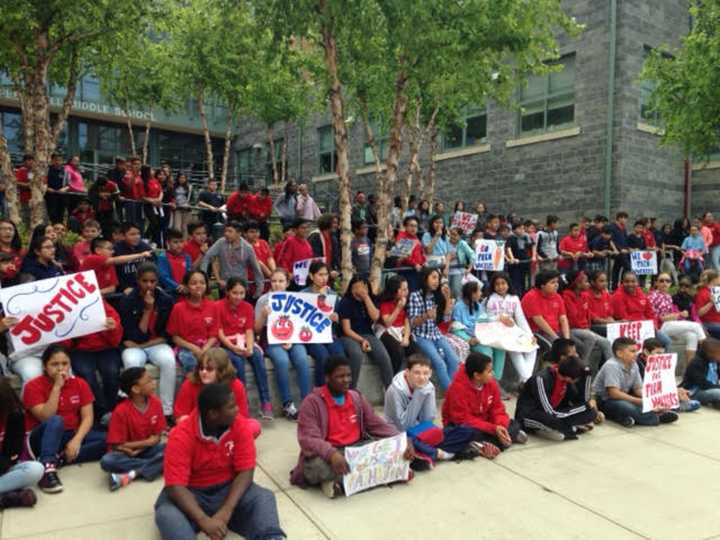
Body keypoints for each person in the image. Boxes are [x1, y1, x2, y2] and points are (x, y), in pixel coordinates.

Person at [154, 384, 285, 540]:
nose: (237, 410)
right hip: (191, 493)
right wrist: (203, 520)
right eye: (231, 407)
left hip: (228, 488)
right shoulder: (181, 435)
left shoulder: (240, 424)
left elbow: (246, 471)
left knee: (263, 498)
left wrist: (226, 511)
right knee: (167, 515)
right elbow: (175, 487)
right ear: (213, 414)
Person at [289, 356, 413, 498]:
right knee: (316, 466)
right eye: (340, 376)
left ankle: (341, 482)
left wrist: (401, 439)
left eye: (348, 375)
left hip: (356, 449)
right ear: (327, 378)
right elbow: (308, 439)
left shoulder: (356, 397)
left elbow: (376, 424)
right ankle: (377, 476)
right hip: (329, 453)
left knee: (389, 447)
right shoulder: (312, 402)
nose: (346, 380)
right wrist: (332, 454)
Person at [24, 345, 107, 493]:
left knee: (111, 440)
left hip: (71, 434)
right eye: (54, 364)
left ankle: (60, 459)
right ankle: (47, 469)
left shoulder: (80, 383)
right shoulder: (33, 386)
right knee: (57, 420)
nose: (60, 368)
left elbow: (88, 417)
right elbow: (46, 417)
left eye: (65, 363)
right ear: (44, 366)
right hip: (43, 437)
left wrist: (77, 440)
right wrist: (57, 387)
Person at [442, 353, 528, 460]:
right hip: (462, 425)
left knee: (513, 423)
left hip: (486, 423)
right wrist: (493, 429)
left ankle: (485, 443)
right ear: (477, 375)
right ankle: (496, 441)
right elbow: (462, 420)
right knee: (465, 433)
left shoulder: (491, 383)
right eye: (489, 371)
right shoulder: (457, 388)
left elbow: (498, 409)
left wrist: (500, 426)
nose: (493, 373)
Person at [118, 263, 177, 420]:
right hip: (134, 345)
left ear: (157, 281)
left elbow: (167, 334)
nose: (149, 285)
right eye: (145, 281)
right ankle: (134, 411)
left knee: (169, 361)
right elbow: (135, 336)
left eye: (153, 281)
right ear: (138, 281)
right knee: (132, 363)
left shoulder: (165, 300)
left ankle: (166, 411)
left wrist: (143, 345)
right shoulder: (127, 300)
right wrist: (147, 310)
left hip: (156, 343)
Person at [254, 270, 309, 420]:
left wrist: (291, 340)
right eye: (274, 281)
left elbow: (300, 323)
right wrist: (263, 315)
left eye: (281, 281)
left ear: (287, 283)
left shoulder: (294, 299)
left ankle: (307, 402)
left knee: (302, 358)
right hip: (271, 338)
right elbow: (256, 329)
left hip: (292, 337)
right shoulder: (263, 300)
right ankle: (287, 404)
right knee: (282, 360)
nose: (277, 284)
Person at [384, 354, 456, 468]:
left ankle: (425, 454)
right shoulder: (395, 390)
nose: (422, 377)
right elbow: (403, 426)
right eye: (417, 373)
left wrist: (424, 393)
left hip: (418, 430)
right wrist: (418, 394)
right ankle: (434, 453)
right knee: (407, 441)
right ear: (407, 372)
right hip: (398, 431)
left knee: (452, 432)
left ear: (431, 373)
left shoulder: (428, 386)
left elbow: (428, 421)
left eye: (426, 373)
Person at [100, 367, 166, 491]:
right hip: (127, 454)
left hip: (148, 451)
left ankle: (132, 474)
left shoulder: (156, 403)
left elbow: (156, 437)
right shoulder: (121, 411)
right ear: (135, 389)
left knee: (172, 448)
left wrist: (148, 444)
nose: (153, 383)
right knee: (107, 461)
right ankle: (156, 466)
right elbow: (115, 445)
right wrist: (145, 443)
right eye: (148, 381)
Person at [215, 277, 272, 419]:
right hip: (227, 344)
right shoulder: (218, 306)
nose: (238, 296)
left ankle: (266, 402)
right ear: (227, 292)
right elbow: (219, 332)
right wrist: (233, 348)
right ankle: (242, 403)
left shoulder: (247, 307)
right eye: (235, 293)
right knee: (237, 361)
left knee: (258, 357)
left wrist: (251, 347)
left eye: (241, 293)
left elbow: (249, 331)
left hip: (244, 341)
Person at [592, 337, 679, 427]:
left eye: (636, 351)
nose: (636, 354)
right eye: (632, 351)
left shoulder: (633, 364)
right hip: (604, 400)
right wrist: (640, 401)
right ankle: (656, 418)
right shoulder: (611, 365)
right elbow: (614, 393)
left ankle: (625, 419)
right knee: (626, 406)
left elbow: (637, 388)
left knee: (640, 404)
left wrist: (651, 400)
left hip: (621, 396)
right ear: (619, 353)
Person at [515, 355, 598, 441]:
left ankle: (567, 428)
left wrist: (587, 376)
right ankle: (568, 429)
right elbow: (550, 412)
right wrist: (585, 406)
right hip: (533, 413)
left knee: (591, 413)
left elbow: (579, 400)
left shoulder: (566, 381)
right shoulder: (541, 379)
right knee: (555, 422)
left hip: (556, 412)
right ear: (569, 378)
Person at [69, 300, 123, 422]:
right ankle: (103, 413)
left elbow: (116, 340)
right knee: (87, 376)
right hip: (80, 350)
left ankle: (111, 410)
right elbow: (65, 342)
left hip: (106, 348)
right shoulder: (67, 309)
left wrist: (112, 329)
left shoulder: (105, 306)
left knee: (112, 372)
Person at [337, 275, 394, 389]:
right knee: (356, 354)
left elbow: (375, 317)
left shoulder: (371, 299)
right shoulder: (346, 302)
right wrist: (361, 340)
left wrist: (366, 298)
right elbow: (346, 329)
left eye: (363, 287)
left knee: (383, 356)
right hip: (348, 336)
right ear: (351, 289)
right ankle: (350, 391)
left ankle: (391, 391)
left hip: (367, 334)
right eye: (356, 287)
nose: (360, 290)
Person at [408, 267, 460, 390]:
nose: (436, 281)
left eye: (438, 278)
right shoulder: (415, 296)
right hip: (421, 336)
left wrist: (447, 300)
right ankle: (452, 396)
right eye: (433, 277)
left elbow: (445, 320)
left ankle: (453, 392)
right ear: (425, 278)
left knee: (454, 360)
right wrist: (426, 316)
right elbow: (412, 323)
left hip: (435, 334)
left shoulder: (437, 295)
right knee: (440, 364)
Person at [485, 272, 538, 385]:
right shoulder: (490, 299)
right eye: (497, 284)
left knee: (532, 347)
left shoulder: (514, 298)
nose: (500, 287)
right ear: (493, 286)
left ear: (508, 284)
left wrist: (530, 335)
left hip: (513, 330)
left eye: (503, 283)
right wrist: (499, 318)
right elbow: (486, 318)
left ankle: (525, 379)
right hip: (497, 331)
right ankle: (529, 381)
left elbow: (521, 318)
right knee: (515, 350)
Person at [173, 349, 250, 424]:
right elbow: (180, 417)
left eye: (209, 369)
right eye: (201, 368)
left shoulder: (236, 385)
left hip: (228, 428)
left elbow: (243, 417)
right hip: (196, 430)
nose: (204, 372)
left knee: (254, 426)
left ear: (221, 370)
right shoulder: (190, 384)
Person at [0, 378, 44, 508]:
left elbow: (13, 455)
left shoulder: (15, 417)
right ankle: (9, 498)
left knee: (36, 469)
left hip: (3, 468)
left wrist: (6, 461)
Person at [452, 281, 507, 383]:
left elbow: (485, 320)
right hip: (472, 338)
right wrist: (469, 339)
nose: (481, 293)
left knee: (501, 348)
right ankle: (489, 382)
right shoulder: (458, 307)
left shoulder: (478, 305)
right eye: (478, 291)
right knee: (487, 353)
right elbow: (456, 328)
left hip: (483, 335)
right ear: (472, 293)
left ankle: (495, 381)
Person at [301, 261, 346, 385]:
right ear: (311, 276)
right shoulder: (303, 294)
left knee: (340, 355)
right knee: (323, 356)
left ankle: (339, 389)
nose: (324, 278)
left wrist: (336, 318)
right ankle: (321, 391)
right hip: (312, 338)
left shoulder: (332, 295)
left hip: (330, 335)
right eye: (320, 275)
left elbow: (339, 319)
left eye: (326, 274)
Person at [167, 270, 219, 374]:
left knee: (216, 361)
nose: (198, 286)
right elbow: (175, 337)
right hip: (187, 348)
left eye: (202, 283)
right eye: (194, 283)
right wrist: (194, 348)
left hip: (209, 346)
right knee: (190, 362)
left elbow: (214, 335)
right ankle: (192, 388)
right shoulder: (178, 308)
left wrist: (204, 349)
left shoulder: (213, 306)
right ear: (186, 286)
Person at [648, 272, 707, 361]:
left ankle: (689, 371)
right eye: (661, 281)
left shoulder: (668, 297)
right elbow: (659, 317)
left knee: (692, 336)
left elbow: (673, 316)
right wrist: (679, 314)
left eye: (667, 281)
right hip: (659, 327)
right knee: (696, 326)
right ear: (656, 283)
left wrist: (678, 316)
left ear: (671, 283)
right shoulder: (653, 296)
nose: (665, 283)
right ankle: (708, 353)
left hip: (670, 325)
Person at [560, 270, 613, 368]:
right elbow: (573, 317)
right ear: (577, 283)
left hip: (585, 328)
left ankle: (612, 369)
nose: (588, 284)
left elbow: (587, 314)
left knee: (606, 342)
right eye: (586, 282)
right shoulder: (566, 296)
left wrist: (587, 326)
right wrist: (586, 327)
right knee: (590, 337)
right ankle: (583, 366)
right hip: (573, 329)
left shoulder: (584, 295)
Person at [201, 221, 264, 298]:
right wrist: (203, 278)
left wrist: (258, 290)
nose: (226, 234)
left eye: (230, 231)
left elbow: (256, 268)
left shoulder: (247, 248)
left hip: (241, 289)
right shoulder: (221, 242)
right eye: (225, 231)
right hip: (225, 287)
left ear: (239, 233)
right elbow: (207, 257)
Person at [612, 271, 671, 350]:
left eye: (633, 281)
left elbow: (650, 313)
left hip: (645, 327)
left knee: (666, 341)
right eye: (627, 282)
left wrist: (653, 325)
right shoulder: (618, 296)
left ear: (637, 282)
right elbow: (623, 317)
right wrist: (643, 324)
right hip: (629, 329)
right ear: (622, 283)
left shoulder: (640, 293)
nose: (630, 284)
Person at [638, 338, 700, 413]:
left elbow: (666, 381)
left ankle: (674, 405)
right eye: (658, 353)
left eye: (662, 353)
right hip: (642, 392)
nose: (661, 356)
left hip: (658, 391)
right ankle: (673, 408)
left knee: (680, 391)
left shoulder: (661, 362)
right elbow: (641, 386)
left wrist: (675, 389)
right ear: (646, 352)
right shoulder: (638, 364)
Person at [81, 237, 152, 296]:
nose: (113, 252)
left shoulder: (110, 264)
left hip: (99, 298)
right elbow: (116, 260)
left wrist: (95, 293)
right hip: (83, 297)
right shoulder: (92, 258)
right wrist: (141, 255)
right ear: (98, 250)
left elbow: (112, 288)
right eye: (109, 249)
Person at [376, 275, 416, 373]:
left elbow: (407, 321)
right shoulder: (385, 303)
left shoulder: (405, 300)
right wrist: (398, 308)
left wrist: (406, 337)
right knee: (397, 351)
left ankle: (411, 377)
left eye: (407, 289)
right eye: (404, 289)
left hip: (401, 329)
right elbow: (387, 323)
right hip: (386, 330)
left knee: (415, 351)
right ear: (395, 291)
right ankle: (392, 377)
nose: (407, 292)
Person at [521, 270, 570, 346]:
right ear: (542, 285)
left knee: (574, 345)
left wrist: (567, 339)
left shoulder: (557, 296)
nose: (556, 285)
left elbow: (563, 318)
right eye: (552, 282)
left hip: (556, 331)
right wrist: (556, 338)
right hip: (537, 332)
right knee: (555, 347)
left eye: (557, 282)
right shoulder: (531, 297)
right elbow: (539, 321)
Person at [114, 222, 154, 292]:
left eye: (138, 234)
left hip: (145, 287)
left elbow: (153, 268)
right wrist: (124, 287)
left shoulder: (145, 247)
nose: (137, 237)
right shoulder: (116, 249)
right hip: (125, 289)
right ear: (122, 236)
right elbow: (116, 273)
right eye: (132, 234)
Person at [681, 338, 720, 407]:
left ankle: (715, 402)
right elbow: (703, 384)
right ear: (710, 353)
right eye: (718, 354)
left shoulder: (714, 361)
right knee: (718, 393)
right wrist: (718, 387)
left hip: (711, 388)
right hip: (695, 392)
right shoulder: (696, 363)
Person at [277, 218, 314, 285]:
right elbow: (283, 260)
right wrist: (288, 274)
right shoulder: (290, 241)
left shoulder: (308, 244)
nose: (306, 230)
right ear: (295, 230)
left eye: (307, 228)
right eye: (303, 228)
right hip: (292, 279)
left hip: (305, 278)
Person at [157, 228, 192, 298]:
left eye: (181, 242)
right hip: (169, 293)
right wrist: (178, 287)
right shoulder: (163, 257)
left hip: (186, 291)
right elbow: (164, 277)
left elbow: (189, 274)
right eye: (175, 242)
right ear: (168, 243)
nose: (179, 245)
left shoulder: (187, 257)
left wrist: (186, 285)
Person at [244, 221, 275, 297]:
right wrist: (272, 276)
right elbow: (258, 263)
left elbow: (270, 258)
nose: (255, 234)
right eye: (252, 232)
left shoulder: (263, 242)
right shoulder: (244, 246)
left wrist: (274, 271)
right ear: (245, 233)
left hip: (267, 281)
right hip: (252, 282)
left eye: (257, 232)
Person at [395, 216, 426, 291]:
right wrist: (415, 264)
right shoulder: (402, 236)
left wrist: (424, 261)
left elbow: (421, 252)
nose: (414, 228)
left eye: (415, 226)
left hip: (417, 270)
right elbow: (404, 256)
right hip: (407, 271)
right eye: (411, 225)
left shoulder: (416, 237)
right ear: (406, 226)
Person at [447, 226, 476, 299]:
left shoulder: (462, 244)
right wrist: (448, 258)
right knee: (447, 292)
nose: (452, 236)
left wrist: (469, 268)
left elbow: (472, 255)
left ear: (460, 236)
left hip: (458, 271)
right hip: (446, 270)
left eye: (455, 235)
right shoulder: (445, 242)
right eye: (451, 234)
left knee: (456, 291)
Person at [506, 221, 533, 295]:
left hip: (525, 262)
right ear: (514, 230)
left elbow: (532, 246)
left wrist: (533, 256)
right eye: (520, 228)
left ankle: (525, 296)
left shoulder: (526, 236)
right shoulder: (511, 237)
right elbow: (508, 248)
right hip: (516, 264)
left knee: (525, 282)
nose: (522, 230)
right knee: (516, 282)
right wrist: (512, 258)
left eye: (523, 228)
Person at [695, 269, 720, 339]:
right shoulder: (702, 293)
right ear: (714, 279)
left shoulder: (717, 290)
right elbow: (699, 313)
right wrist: (711, 303)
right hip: (708, 323)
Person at [45, 152, 68, 224]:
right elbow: (42, 182)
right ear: (52, 160)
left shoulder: (65, 171)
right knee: (52, 215)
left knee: (61, 215)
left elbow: (69, 184)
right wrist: (47, 188)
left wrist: (64, 189)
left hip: (61, 196)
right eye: (56, 160)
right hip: (50, 195)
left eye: (60, 160)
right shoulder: (47, 170)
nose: (58, 162)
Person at [172, 173, 193, 237]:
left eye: (184, 178)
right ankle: (177, 241)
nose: (182, 179)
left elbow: (192, 198)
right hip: (178, 208)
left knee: (185, 228)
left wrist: (189, 204)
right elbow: (172, 196)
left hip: (186, 209)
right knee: (177, 227)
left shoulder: (189, 187)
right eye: (181, 177)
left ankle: (184, 243)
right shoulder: (174, 186)